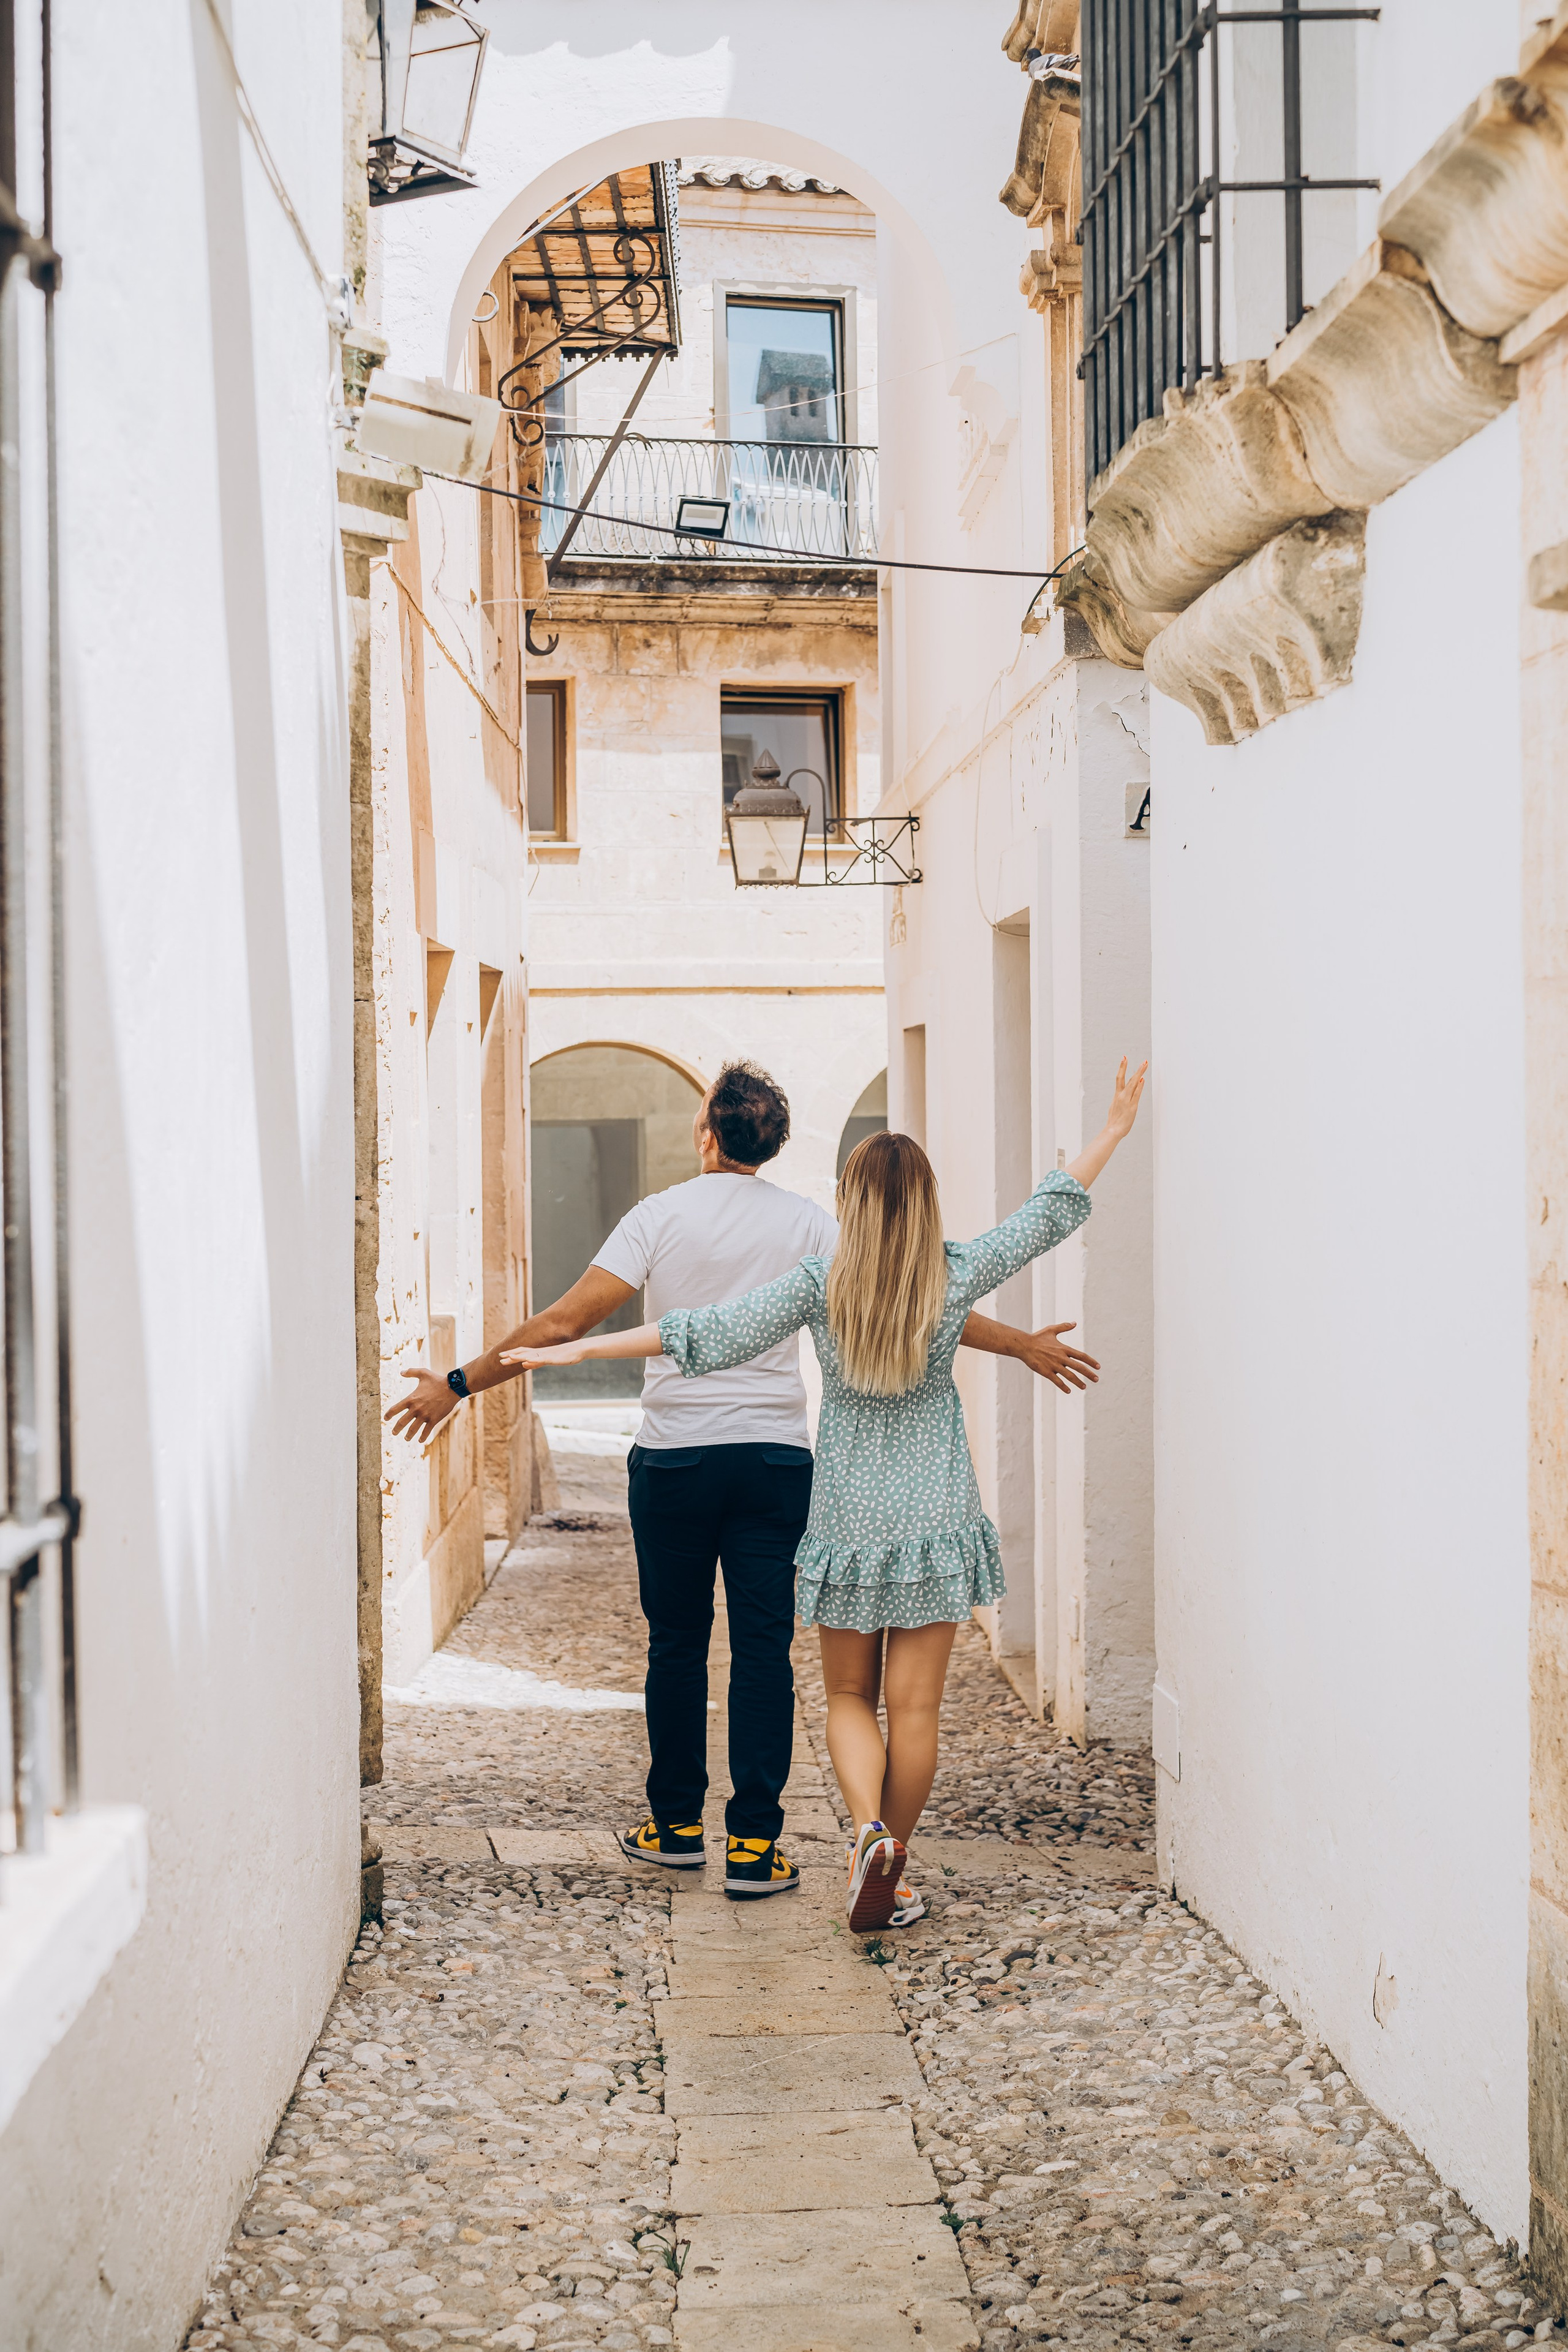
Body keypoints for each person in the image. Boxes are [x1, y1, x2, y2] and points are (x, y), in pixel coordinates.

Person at [386, 1059, 1104, 1906]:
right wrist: (1019, 1341)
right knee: (766, 1650)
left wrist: (462, 1383)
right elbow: (916, 1294)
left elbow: (577, 1323)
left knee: (679, 1645)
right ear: (778, 1141)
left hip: (678, 1460)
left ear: (706, 1133)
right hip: (776, 1464)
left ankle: (678, 1827)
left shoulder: (659, 1216)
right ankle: (762, 1846)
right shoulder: (812, 1228)